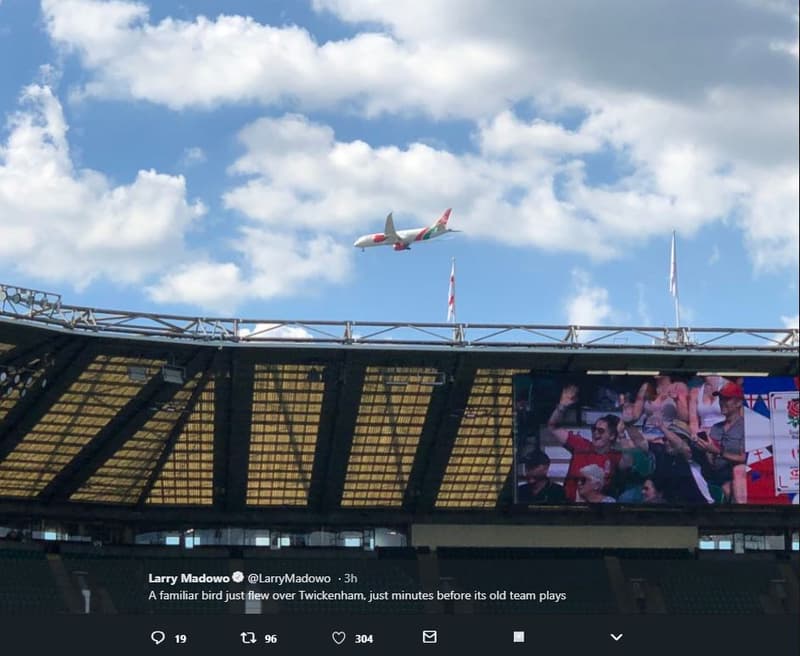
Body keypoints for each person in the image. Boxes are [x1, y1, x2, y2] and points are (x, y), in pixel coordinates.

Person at [547, 384, 622, 501]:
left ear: (612, 436)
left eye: (601, 431)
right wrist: (562, 406)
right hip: (568, 503)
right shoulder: (581, 444)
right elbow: (553, 427)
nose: (595, 433)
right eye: (594, 429)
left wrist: (624, 431)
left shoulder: (616, 456)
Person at [625, 417, 713, 504]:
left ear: (685, 440)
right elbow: (640, 442)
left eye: (670, 439)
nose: (666, 442)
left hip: (699, 505)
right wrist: (628, 423)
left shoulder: (695, 454)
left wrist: (662, 427)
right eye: (664, 439)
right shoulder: (662, 453)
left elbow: (681, 446)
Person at [692, 381, 746, 503]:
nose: (722, 402)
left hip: (733, 473)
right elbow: (711, 460)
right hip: (714, 473)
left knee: (729, 487)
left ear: (738, 403)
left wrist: (718, 452)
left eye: (727, 399)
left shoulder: (745, 427)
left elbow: (744, 458)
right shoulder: (716, 427)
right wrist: (706, 448)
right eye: (721, 399)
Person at [627, 375, 690, 439]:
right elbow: (635, 416)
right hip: (646, 431)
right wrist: (628, 410)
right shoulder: (646, 387)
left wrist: (677, 400)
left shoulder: (678, 386)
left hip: (669, 433)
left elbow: (684, 418)